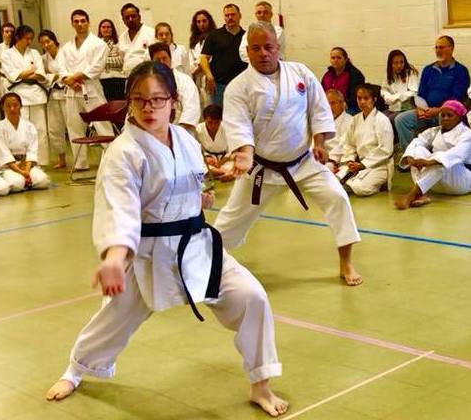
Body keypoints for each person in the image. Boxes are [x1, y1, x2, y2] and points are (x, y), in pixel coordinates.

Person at [45, 61, 289, 418]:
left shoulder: (186, 140)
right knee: (113, 319)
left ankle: (261, 385)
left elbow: (191, 184)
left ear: (173, 101)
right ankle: (76, 370)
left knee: (253, 297)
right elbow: (120, 210)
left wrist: (203, 193)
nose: (149, 108)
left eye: (158, 99)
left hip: (197, 246)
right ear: (129, 101)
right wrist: (114, 258)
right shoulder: (122, 153)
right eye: (140, 100)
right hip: (147, 253)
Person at [214, 22, 362, 286]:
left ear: (277, 47)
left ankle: (346, 262)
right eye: (256, 48)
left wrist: (320, 143)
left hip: (303, 161)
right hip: (261, 168)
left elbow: (318, 110)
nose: (263, 53)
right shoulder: (239, 87)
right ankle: (204, 262)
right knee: (229, 221)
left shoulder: (300, 73)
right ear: (247, 51)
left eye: (268, 47)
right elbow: (239, 127)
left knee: (338, 198)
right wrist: (244, 155)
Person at [58, 9, 114, 171]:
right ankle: (80, 163)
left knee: (102, 124)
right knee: (74, 126)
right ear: (72, 24)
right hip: (71, 91)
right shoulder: (67, 47)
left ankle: (112, 160)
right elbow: (60, 67)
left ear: (88, 22)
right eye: (76, 21)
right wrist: (67, 80)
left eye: (83, 21)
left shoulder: (98, 44)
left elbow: (96, 67)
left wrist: (74, 77)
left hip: (91, 89)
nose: (80, 24)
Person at [395, 36, 470, 150]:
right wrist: (420, 108)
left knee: (445, 117)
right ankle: (411, 155)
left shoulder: (460, 70)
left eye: (441, 47)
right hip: (426, 111)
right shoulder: (428, 69)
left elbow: (457, 98)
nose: (438, 50)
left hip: (445, 112)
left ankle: (440, 156)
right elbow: (421, 94)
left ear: (451, 48)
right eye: (436, 48)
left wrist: (439, 110)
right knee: (401, 119)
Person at [395, 100, 471, 209]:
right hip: (436, 182)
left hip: (461, 182)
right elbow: (418, 140)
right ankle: (423, 194)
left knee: (442, 159)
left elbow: (455, 155)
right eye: (443, 115)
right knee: (417, 150)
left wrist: (428, 162)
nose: (445, 118)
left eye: (449, 115)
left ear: (459, 117)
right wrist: (411, 158)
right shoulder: (436, 131)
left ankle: (412, 194)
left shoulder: (467, 134)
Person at [0, 25, 49, 166]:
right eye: (26, 38)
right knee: (22, 130)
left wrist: (24, 73)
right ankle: (22, 162)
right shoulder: (6, 55)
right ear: (17, 38)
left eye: (31, 39)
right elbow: (12, 76)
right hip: (18, 95)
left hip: (36, 95)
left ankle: (41, 161)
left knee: (40, 130)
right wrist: (30, 71)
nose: (29, 42)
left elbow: (40, 75)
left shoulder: (34, 53)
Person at [336, 84, 394, 196]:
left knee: (360, 188)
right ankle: (353, 181)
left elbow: (386, 149)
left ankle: (376, 184)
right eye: (359, 98)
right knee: (335, 181)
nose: (362, 101)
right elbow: (349, 144)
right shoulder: (355, 119)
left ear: (374, 99)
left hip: (378, 165)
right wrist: (350, 160)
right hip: (358, 164)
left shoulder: (382, 120)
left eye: (366, 98)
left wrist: (363, 164)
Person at [0, 92, 50, 192]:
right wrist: (19, 171)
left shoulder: (29, 126)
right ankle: (12, 179)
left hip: (26, 164)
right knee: (17, 184)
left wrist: (26, 170)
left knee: (42, 181)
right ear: (2, 107)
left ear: (20, 106)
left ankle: (27, 180)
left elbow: (31, 151)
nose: (12, 109)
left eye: (15, 105)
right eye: (8, 106)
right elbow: (4, 153)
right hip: (9, 166)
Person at [200, 4, 247, 106]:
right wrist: (209, 76)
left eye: (233, 15)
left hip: (242, 86)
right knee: (220, 116)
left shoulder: (246, 36)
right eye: (227, 15)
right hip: (219, 86)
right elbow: (203, 58)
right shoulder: (214, 35)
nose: (230, 17)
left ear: (240, 16)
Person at [149, 42, 200, 132]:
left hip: (181, 134)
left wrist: (173, 136)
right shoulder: (146, 84)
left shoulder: (185, 81)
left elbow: (191, 111)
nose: (162, 63)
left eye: (164, 58)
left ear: (171, 59)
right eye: (157, 60)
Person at [39, 29, 67, 169]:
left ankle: (81, 159)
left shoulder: (65, 53)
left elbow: (66, 73)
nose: (46, 45)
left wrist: (55, 76)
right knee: (54, 128)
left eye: (48, 41)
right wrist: (53, 77)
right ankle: (61, 158)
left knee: (73, 127)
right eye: (43, 43)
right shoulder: (43, 59)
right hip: (53, 94)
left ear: (54, 40)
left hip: (67, 93)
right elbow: (43, 78)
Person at [381, 49, 419, 131]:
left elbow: (413, 92)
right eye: (396, 63)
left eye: (401, 62)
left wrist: (395, 97)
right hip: (392, 107)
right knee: (378, 118)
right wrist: (388, 97)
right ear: (391, 64)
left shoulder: (411, 73)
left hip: (406, 108)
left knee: (388, 121)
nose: (399, 65)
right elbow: (384, 90)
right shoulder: (389, 73)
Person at [321, 47, 365, 114]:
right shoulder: (327, 75)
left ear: (345, 59)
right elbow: (321, 93)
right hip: (329, 106)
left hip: (349, 107)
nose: (335, 60)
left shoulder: (355, 74)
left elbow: (355, 97)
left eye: (339, 58)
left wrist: (341, 105)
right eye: (333, 58)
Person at [196, 104, 234, 181]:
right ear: (204, 119)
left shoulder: (227, 128)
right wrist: (206, 157)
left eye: (217, 122)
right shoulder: (198, 129)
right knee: (198, 166)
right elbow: (196, 149)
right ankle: (227, 173)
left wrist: (221, 162)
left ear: (221, 120)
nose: (213, 125)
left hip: (226, 159)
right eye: (210, 122)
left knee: (238, 163)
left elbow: (233, 149)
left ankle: (220, 173)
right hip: (210, 160)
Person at [189, 10, 217, 108]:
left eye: (204, 21)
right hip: (197, 78)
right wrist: (193, 73)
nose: (202, 24)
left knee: (209, 105)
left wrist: (196, 71)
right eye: (198, 22)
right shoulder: (194, 40)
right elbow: (192, 58)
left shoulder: (214, 37)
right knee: (199, 105)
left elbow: (208, 59)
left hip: (208, 76)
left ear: (209, 22)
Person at [118, 3, 155, 76]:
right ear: (123, 20)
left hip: (146, 75)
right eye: (127, 17)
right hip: (127, 77)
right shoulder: (122, 37)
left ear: (139, 17)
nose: (130, 19)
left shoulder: (151, 33)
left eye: (133, 16)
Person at [324, 89, 353, 172]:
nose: (329, 107)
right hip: (319, 157)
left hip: (336, 160)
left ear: (342, 103)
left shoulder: (350, 121)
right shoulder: (322, 120)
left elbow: (343, 145)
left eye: (333, 103)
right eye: (327, 103)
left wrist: (332, 160)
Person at [98, 19, 125, 101]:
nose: (106, 29)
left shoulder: (120, 43)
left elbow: (120, 62)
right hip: (102, 80)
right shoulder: (96, 45)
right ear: (100, 29)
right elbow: (96, 63)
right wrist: (113, 58)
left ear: (112, 29)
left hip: (119, 79)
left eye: (109, 27)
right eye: (103, 27)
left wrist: (103, 60)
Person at [0, 22, 15, 99]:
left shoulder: (18, 47)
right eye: (7, 31)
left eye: (12, 32)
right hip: (4, 80)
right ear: (2, 33)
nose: (9, 34)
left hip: (17, 80)